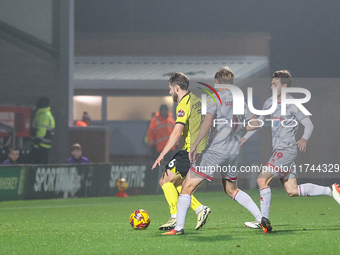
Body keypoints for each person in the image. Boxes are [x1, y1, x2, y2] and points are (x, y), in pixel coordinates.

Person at [163, 66, 271, 235]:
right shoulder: (239, 101)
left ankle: (178, 228)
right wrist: (240, 127)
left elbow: (206, 124)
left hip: (215, 152)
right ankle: (261, 217)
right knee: (231, 190)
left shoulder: (214, 98)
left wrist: (195, 145)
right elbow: (256, 123)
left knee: (186, 187)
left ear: (217, 82)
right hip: (233, 152)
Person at [240, 70, 340, 230]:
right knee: (292, 190)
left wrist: (304, 138)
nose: (271, 86)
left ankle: (263, 220)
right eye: (271, 83)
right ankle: (331, 190)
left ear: (284, 86)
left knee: (262, 180)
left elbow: (309, 124)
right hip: (279, 151)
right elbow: (258, 123)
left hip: (286, 150)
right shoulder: (268, 103)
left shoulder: (294, 104)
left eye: (275, 84)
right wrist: (244, 137)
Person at [152, 72, 211, 231]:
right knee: (177, 184)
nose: (169, 91)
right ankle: (200, 209)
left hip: (191, 150)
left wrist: (162, 154)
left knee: (165, 181)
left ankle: (174, 217)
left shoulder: (183, 104)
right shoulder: (197, 101)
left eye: (170, 88)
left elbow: (176, 133)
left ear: (177, 88)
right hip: (201, 149)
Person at [31, 97, 55, 164]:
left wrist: (36, 143)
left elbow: (41, 131)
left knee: (38, 164)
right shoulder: (48, 114)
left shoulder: (43, 115)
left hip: (40, 145)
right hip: (46, 145)